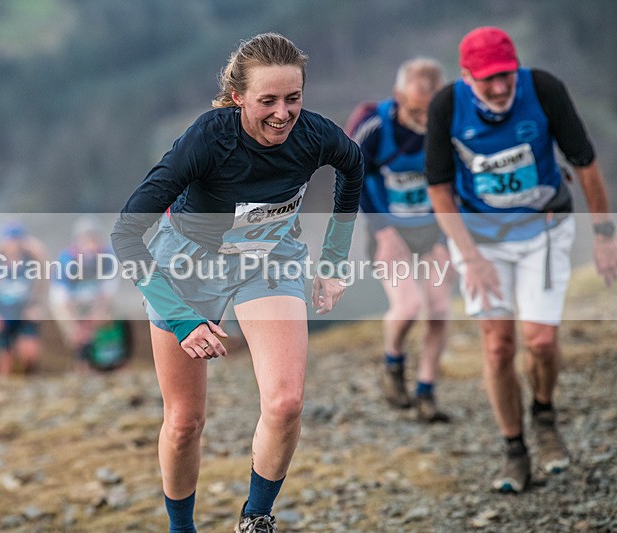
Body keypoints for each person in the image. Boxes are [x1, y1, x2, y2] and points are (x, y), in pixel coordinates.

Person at [111, 33, 363, 533]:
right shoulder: (208, 139)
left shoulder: (316, 136)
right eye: (267, 100)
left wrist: (334, 261)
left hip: (269, 260)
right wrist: (184, 322)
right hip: (189, 263)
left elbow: (352, 167)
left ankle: (256, 519)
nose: (282, 113)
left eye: (293, 99)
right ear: (237, 98)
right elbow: (126, 233)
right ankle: (181, 528)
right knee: (184, 423)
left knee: (286, 401)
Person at [425, 26, 617, 493]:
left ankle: (545, 415)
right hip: (479, 237)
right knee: (497, 344)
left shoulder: (544, 88)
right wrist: (470, 258)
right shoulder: (447, 105)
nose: (499, 87)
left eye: (505, 75)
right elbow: (439, 190)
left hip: (545, 228)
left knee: (542, 341)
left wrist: (605, 235)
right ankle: (515, 449)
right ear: (468, 76)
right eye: (487, 78)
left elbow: (585, 163)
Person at [346, 57, 452, 423]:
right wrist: (383, 231)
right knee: (408, 307)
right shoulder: (375, 127)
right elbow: (351, 177)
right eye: (415, 111)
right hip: (388, 229)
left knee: (438, 309)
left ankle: (426, 392)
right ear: (398, 95)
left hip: (435, 228)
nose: (424, 122)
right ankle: (392, 363)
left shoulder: (448, 122)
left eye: (431, 113)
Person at [0, 221, 49, 377]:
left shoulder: (32, 254)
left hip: (23, 307)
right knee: (6, 358)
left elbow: (46, 277)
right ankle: (1, 384)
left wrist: (37, 305)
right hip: (1, 308)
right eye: (9, 242)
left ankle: (29, 382)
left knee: (30, 352)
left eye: (17, 242)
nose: (13, 246)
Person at [49, 215, 126, 372]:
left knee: (108, 322)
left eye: (94, 239)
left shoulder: (108, 256)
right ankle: (81, 366)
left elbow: (107, 292)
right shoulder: (67, 259)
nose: (91, 245)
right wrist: (73, 325)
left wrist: (98, 313)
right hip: (71, 303)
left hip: (96, 300)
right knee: (77, 335)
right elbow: (61, 299)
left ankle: (110, 363)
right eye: (86, 239)